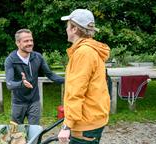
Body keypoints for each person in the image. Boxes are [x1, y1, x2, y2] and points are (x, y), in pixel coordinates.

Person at [58, 9, 110, 144]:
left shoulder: (83, 53)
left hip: (85, 122)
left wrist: (67, 125)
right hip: (93, 117)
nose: (66, 30)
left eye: (68, 26)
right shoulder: (90, 50)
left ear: (74, 29)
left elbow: (76, 92)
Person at [5, 29, 64, 125]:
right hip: (18, 103)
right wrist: (21, 83)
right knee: (15, 133)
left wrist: (68, 80)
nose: (30, 43)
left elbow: (50, 74)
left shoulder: (37, 57)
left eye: (31, 40)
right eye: (26, 41)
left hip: (34, 102)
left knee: (34, 132)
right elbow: (9, 83)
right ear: (18, 43)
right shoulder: (11, 60)